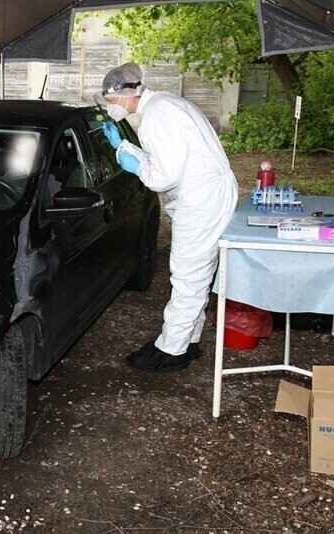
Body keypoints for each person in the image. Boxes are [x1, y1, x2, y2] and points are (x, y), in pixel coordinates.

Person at [99, 62, 238, 373]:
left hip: (202, 199)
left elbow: (163, 176)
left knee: (188, 273)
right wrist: (123, 146)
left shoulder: (156, 116)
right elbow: (165, 157)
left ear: (124, 94)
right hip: (209, 193)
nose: (110, 108)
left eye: (109, 101)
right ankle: (188, 340)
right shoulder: (165, 103)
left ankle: (171, 350)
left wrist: (136, 167)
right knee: (199, 271)